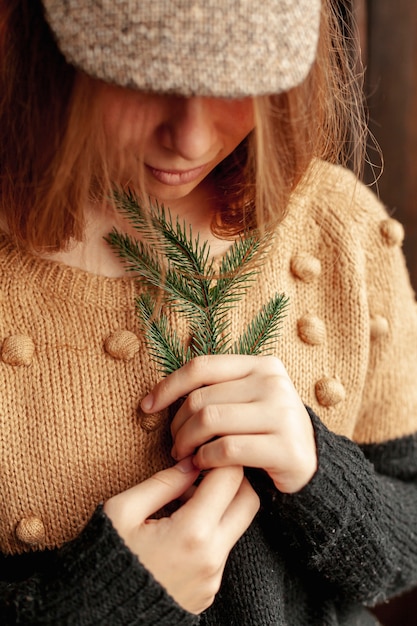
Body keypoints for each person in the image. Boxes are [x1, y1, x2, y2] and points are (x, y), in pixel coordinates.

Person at [0, 0, 417, 624]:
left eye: (236, 82)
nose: (189, 138)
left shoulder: (341, 231)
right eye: (144, 77)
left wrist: (318, 471)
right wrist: (103, 604)